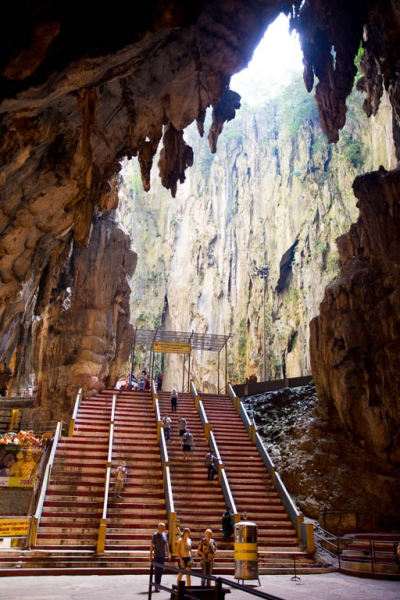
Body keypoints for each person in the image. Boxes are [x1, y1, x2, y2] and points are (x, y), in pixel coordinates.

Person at [150, 522, 171, 591]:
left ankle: (158, 584)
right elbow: (151, 546)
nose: (164, 528)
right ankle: (156, 586)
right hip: (157, 555)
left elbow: (167, 544)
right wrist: (150, 557)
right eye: (163, 527)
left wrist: (168, 553)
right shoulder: (155, 535)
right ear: (160, 528)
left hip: (162, 556)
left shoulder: (165, 535)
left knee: (161, 571)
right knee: (157, 571)